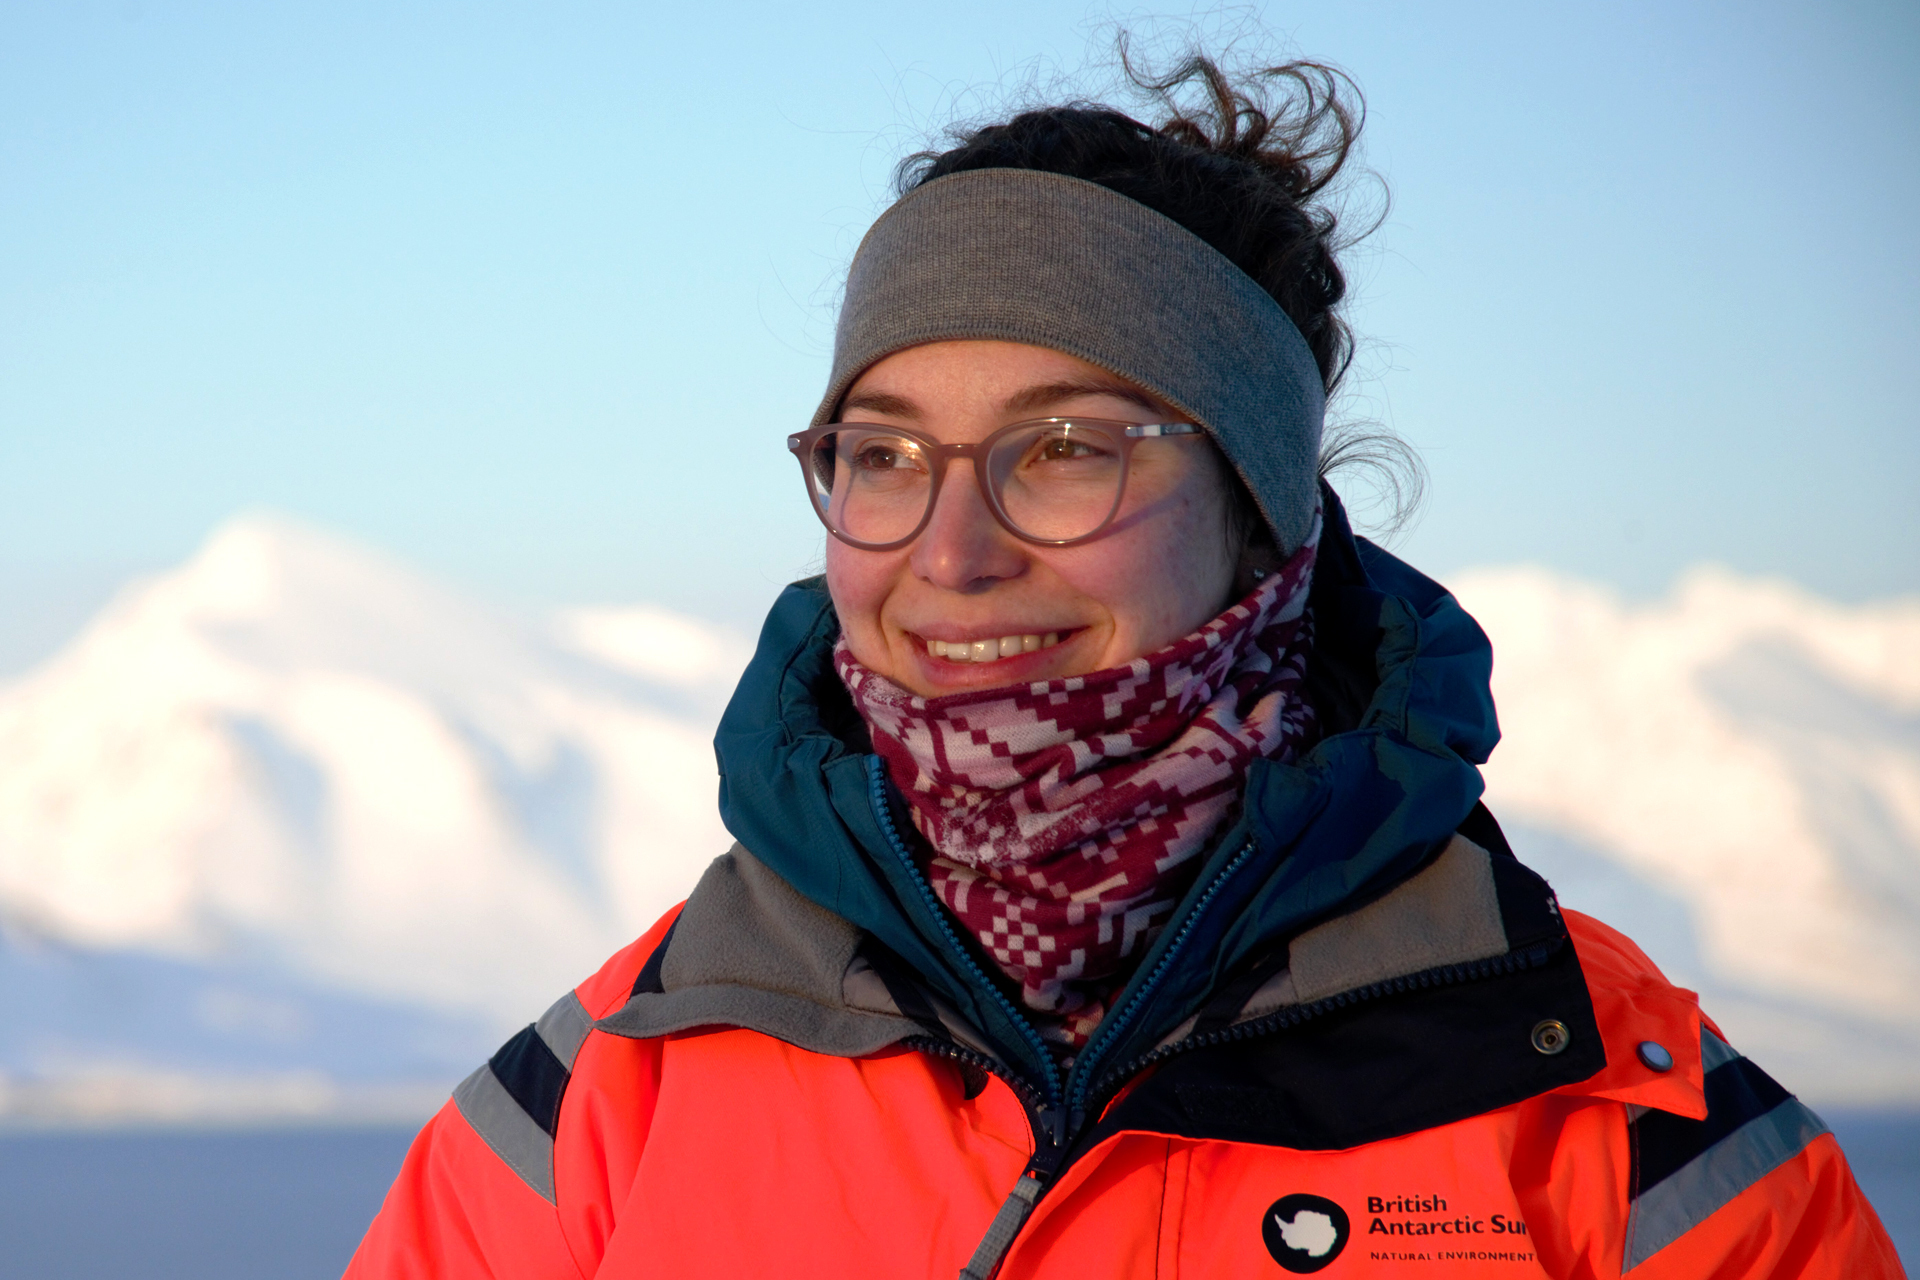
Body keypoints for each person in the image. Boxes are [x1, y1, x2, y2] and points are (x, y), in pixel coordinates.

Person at [346, 58, 1902, 1279]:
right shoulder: (609, 1096)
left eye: (1067, 450)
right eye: (883, 456)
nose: (950, 551)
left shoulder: (1616, 1132)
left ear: (1260, 512)